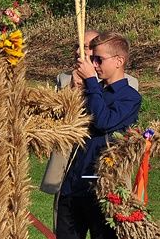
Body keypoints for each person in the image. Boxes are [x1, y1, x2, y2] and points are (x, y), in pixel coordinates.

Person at [40, 30, 139, 231]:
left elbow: (104, 121)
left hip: (101, 187)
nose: (94, 64)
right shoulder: (90, 89)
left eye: (99, 59)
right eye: (92, 59)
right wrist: (75, 92)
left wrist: (92, 83)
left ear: (118, 61)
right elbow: (63, 124)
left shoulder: (130, 96)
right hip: (72, 184)